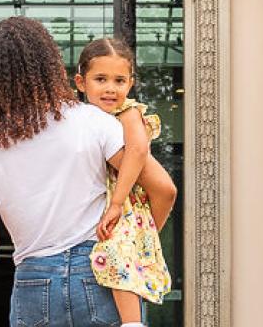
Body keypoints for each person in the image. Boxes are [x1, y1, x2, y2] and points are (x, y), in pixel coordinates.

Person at [0, 16, 134, 327]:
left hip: (33, 281)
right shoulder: (94, 120)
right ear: (49, 66)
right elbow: (161, 186)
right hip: (100, 271)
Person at [76, 37, 177, 324]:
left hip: (127, 199)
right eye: (101, 79)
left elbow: (137, 149)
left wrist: (118, 204)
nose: (110, 88)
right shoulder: (86, 119)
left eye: (119, 81)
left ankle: (132, 322)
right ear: (81, 83)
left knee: (119, 251)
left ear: (130, 84)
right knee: (120, 252)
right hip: (117, 200)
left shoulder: (129, 112)